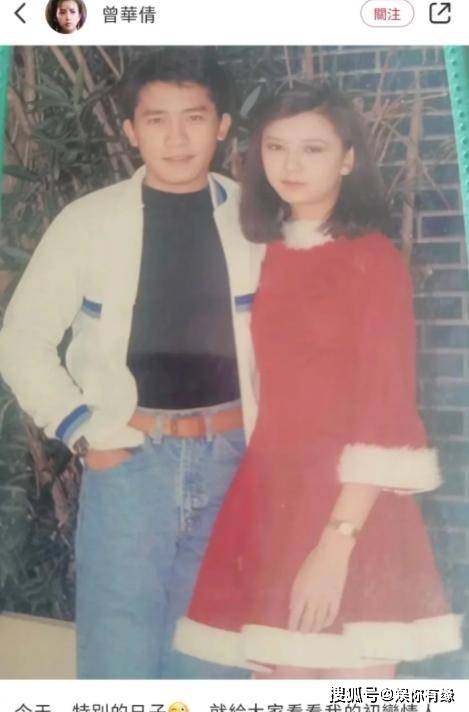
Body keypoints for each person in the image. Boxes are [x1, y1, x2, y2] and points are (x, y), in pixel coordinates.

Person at [173, 83, 462, 679]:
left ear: (348, 159)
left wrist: (336, 544)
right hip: (274, 498)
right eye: (275, 147)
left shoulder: (372, 259)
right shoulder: (266, 254)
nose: (291, 165)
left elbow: (385, 409)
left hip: (353, 508)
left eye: (313, 149)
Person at [0, 48, 264, 679]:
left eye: (194, 117)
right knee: (118, 659)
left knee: (214, 661)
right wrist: (82, 430)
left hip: (235, 460)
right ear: (130, 130)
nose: (177, 138)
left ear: (223, 126)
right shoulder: (88, 222)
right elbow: (22, 338)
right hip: (130, 461)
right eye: (156, 120)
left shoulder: (257, 219)